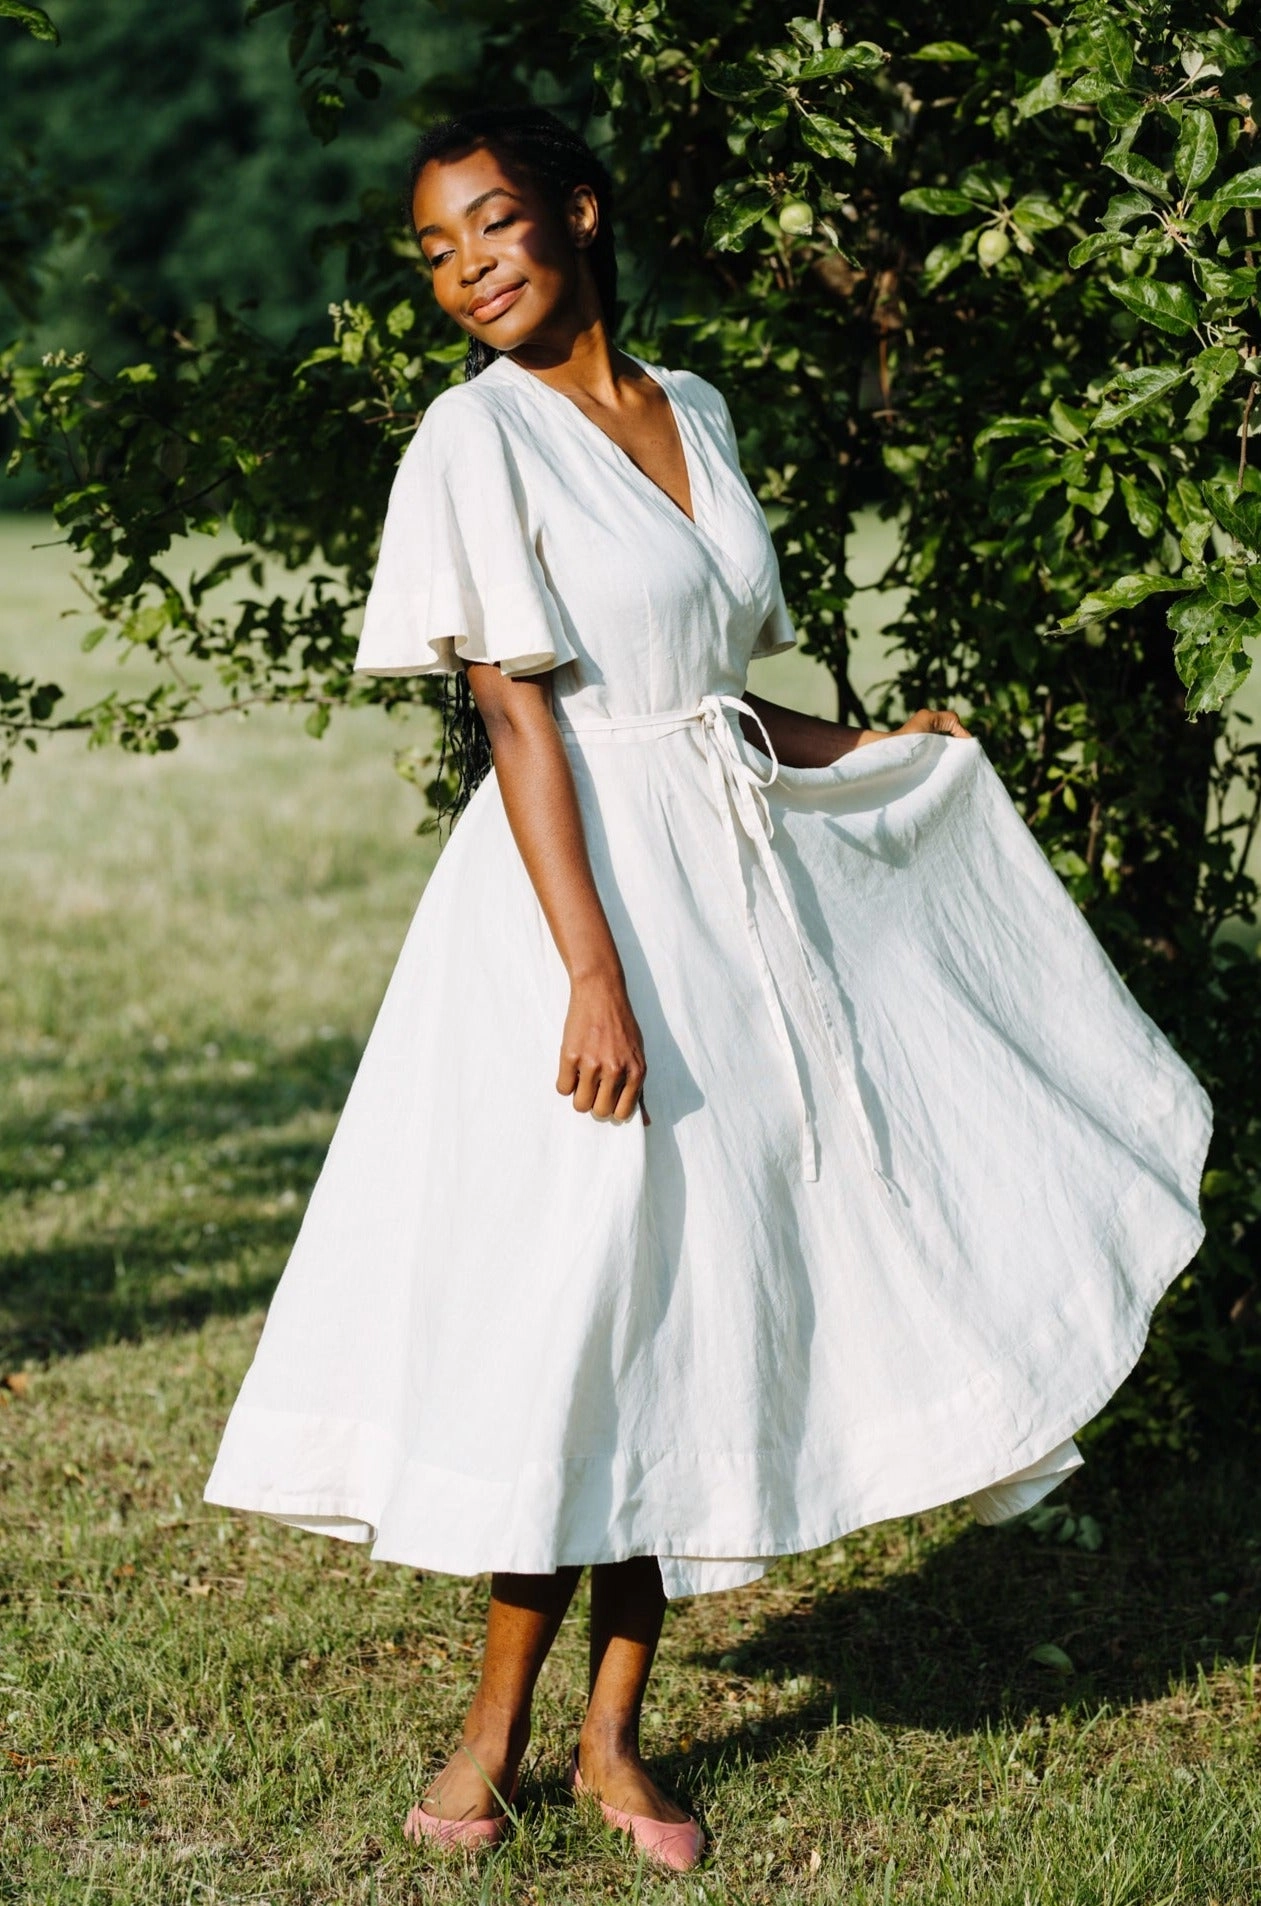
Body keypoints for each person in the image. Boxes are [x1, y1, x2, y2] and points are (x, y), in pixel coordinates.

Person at [203, 106, 1213, 1873]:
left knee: (687, 1298)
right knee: (580, 1295)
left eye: (495, 224)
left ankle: (612, 1740)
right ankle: (488, 1730)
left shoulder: (698, 411)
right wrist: (592, 975)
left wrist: (877, 745)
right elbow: (519, 712)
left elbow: (711, 696)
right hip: (573, 906)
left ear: (577, 214)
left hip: (732, 898)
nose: (469, 270)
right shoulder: (472, 436)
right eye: (438, 250)